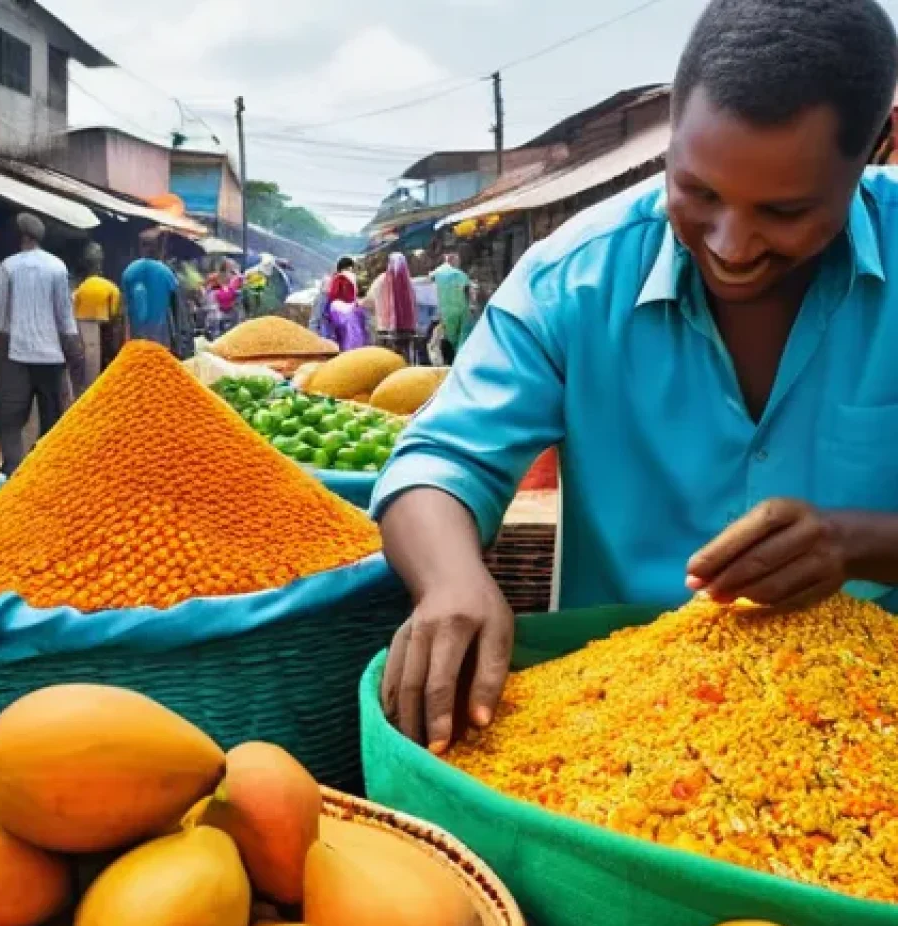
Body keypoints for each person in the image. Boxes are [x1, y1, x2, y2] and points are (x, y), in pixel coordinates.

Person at [371, 0, 898, 752]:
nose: (733, 245)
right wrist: (452, 581)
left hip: (870, 731)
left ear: (878, 146)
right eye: (699, 192)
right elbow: (440, 462)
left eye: (784, 211)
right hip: (621, 734)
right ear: (673, 134)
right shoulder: (574, 280)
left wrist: (861, 542)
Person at [0, 212, 79, 476]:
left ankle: (13, 466)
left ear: (22, 236)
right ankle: (46, 468)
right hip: (51, 356)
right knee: (51, 416)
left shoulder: (9, 266)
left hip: (16, 355)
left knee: (10, 416)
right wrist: (73, 353)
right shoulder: (57, 266)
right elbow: (65, 317)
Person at [72, 242, 122, 388]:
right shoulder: (111, 287)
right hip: (106, 342)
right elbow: (115, 316)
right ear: (100, 263)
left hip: (82, 338)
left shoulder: (79, 289)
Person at [121, 229, 179, 346]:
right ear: (159, 248)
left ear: (140, 248)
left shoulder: (129, 270)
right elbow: (175, 304)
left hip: (134, 337)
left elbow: (124, 305)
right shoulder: (166, 272)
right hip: (160, 338)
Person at [368, 253, 418, 362]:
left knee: (385, 360)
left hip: (384, 329)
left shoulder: (380, 280)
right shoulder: (409, 283)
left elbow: (370, 301)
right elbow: (415, 304)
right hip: (407, 330)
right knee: (404, 360)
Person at [429, 253, 474, 355]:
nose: (458, 263)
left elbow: (428, 280)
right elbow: (470, 291)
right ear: (452, 261)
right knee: (461, 337)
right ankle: (458, 357)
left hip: (445, 311)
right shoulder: (461, 274)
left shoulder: (438, 272)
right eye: (457, 261)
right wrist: (471, 306)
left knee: (448, 337)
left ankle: (452, 358)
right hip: (461, 309)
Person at [311, 256, 357, 338]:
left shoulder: (345, 281)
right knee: (318, 321)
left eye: (351, 270)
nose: (350, 272)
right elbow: (315, 319)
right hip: (324, 300)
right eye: (348, 269)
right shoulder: (331, 280)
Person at [323, 272, 370, 352]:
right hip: (359, 350)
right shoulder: (357, 308)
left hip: (339, 350)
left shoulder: (331, 306)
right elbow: (365, 331)